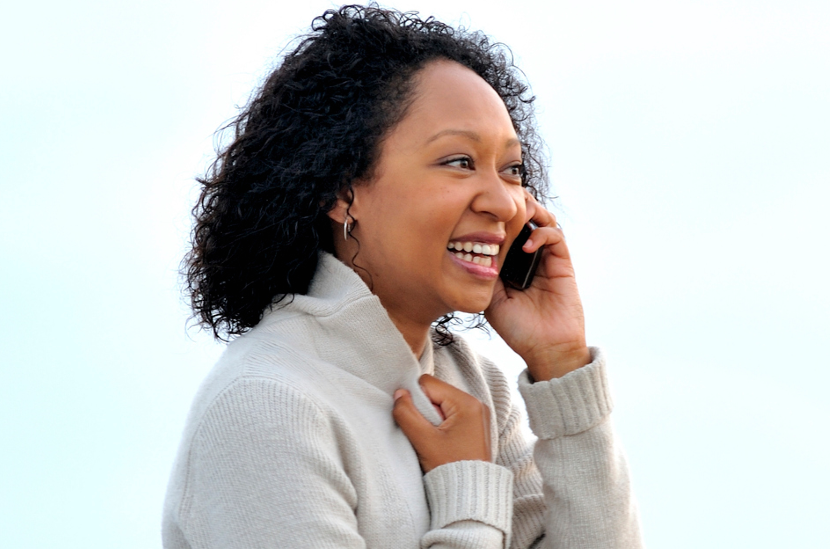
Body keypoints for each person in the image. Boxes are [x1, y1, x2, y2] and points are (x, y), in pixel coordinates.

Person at [164, 5, 642, 548]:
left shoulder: (475, 384)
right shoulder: (266, 406)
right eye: (459, 161)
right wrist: (467, 490)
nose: (505, 204)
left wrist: (561, 367)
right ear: (342, 191)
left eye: (512, 170)